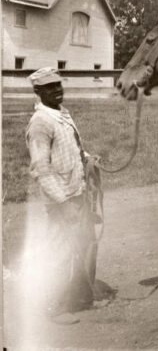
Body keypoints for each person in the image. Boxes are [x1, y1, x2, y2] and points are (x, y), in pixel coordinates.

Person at [26, 67, 100, 325]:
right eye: (50, 87)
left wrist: (88, 158)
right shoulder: (40, 123)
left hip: (77, 191)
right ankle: (52, 307)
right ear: (38, 91)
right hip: (62, 199)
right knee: (59, 251)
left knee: (82, 245)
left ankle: (81, 298)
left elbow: (70, 148)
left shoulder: (61, 114)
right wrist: (64, 203)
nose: (57, 90)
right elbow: (41, 169)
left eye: (58, 84)